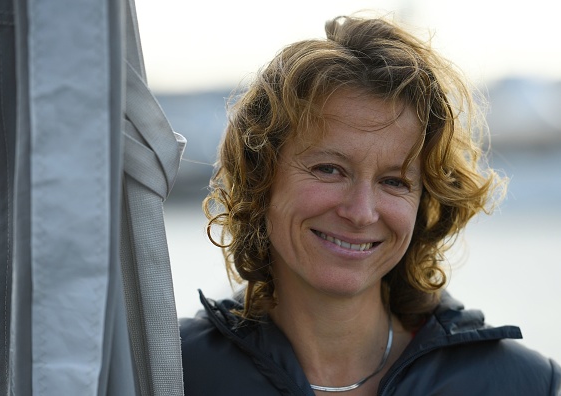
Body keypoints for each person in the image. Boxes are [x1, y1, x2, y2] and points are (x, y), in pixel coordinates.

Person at [179, 14, 561, 395]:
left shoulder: (524, 384)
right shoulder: (169, 371)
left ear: (424, 201)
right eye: (329, 169)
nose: (361, 212)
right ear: (260, 179)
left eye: (394, 182)